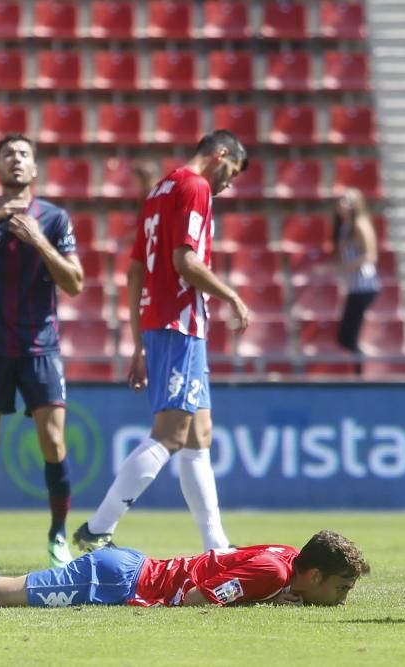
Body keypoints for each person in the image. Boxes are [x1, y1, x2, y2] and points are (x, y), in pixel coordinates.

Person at [74, 132, 251, 555]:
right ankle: (97, 528)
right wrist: (232, 295)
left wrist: (138, 344)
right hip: (180, 323)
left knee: (199, 433)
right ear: (221, 155)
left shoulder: (159, 190)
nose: (229, 183)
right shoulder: (196, 186)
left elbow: (135, 271)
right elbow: (185, 261)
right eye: (233, 172)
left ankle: (216, 545)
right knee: (171, 434)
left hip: (161, 323)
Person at [0, 134, 83, 571]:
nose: (17, 160)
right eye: (9, 154)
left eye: (24, 154)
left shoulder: (55, 218)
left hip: (40, 348)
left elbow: (75, 283)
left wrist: (39, 241)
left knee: (53, 440)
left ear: (35, 168)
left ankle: (58, 536)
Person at [0, 530, 369, 609]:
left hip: (130, 567)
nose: (342, 598)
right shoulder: (274, 574)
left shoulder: (282, 557)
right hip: (120, 581)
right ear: (314, 576)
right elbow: (199, 601)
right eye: (341, 587)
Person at [332, 188, 381, 375]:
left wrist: (348, 267)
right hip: (353, 286)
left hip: (363, 286)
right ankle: (358, 367)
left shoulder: (360, 225)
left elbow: (370, 255)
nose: (342, 205)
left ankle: (361, 370)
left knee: (349, 336)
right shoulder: (344, 227)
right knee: (344, 337)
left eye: (346, 202)